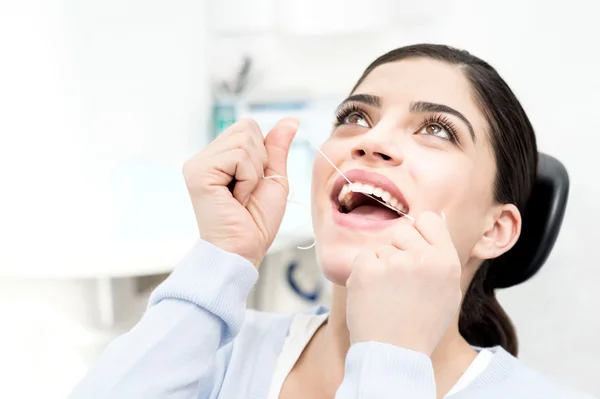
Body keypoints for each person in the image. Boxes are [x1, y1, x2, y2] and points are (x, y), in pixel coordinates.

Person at [69, 44, 595, 399]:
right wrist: (222, 255)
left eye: (436, 129)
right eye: (355, 118)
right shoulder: (217, 348)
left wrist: (389, 358)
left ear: (495, 229)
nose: (370, 139)